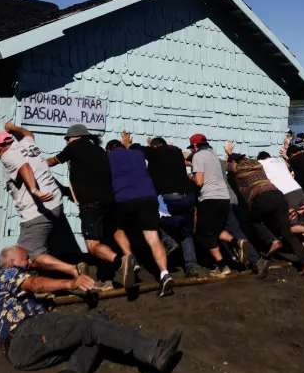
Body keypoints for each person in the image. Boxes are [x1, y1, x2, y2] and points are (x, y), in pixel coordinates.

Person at [0, 245, 182, 373]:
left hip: (21, 355)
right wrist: (72, 282)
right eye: (25, 259)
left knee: (91, 329)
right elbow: (35, 284)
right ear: (11, 262)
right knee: (92, 327)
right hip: (25, 333)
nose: (29, 263)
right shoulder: (6, 274)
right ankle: (153, 352)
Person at [46, 124, 136, 289]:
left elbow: (53, 161)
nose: (67, 142)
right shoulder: (100, 150)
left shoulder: (74, 147)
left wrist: (38, 165)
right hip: (110, 201)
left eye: (68, 138)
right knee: (108, 238)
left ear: (78, 137)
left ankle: (121, 262)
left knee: (93, 245)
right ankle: (106, 279)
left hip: (90, 204)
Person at [225, 144, 304, 276]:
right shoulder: (256, 164)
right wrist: (231, 153)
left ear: (233, 162)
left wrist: (227, 155)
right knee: (287, 232)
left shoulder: (237, 168)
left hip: (262, 197)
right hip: (279, 196)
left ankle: (273, 241)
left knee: (253, 220)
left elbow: (225, 165)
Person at [106, 132, 175, 296]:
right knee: (153, 237)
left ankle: (130, 259)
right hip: (149, 197)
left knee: (117, 227)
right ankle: (165, 274)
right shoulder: (137, 154)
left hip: (125, 198)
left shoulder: (108, 158)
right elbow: (131, 151)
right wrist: (128, 143)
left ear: (109, 150)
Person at [0, 123, 65, 260]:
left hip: (37, 211)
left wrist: (35, 190)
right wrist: (13, 128)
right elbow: (29, 134)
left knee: (27, 257)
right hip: (56, 203)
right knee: (39, 249)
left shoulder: (7, 156)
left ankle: (73, 271)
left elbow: (24, 167)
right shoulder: (27, 144)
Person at [140, 136, 202, 277]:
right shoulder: (176, 152)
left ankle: (168, 241)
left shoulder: (155, 153)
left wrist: (130, 144)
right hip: (188, 196)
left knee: (152, 218)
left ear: (155, 146)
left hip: (171, 196)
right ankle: (192, 266)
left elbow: (139, 150)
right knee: (186, 232)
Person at [188, 134, 233, 276]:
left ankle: (222, 266)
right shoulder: (214, 156)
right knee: (216, 230)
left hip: (209, 199)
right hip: (224, 197)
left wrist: (189, 177)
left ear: (195, 146)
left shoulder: (198, 156)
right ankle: (237, 242)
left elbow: (199, 182)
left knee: (204, 235)